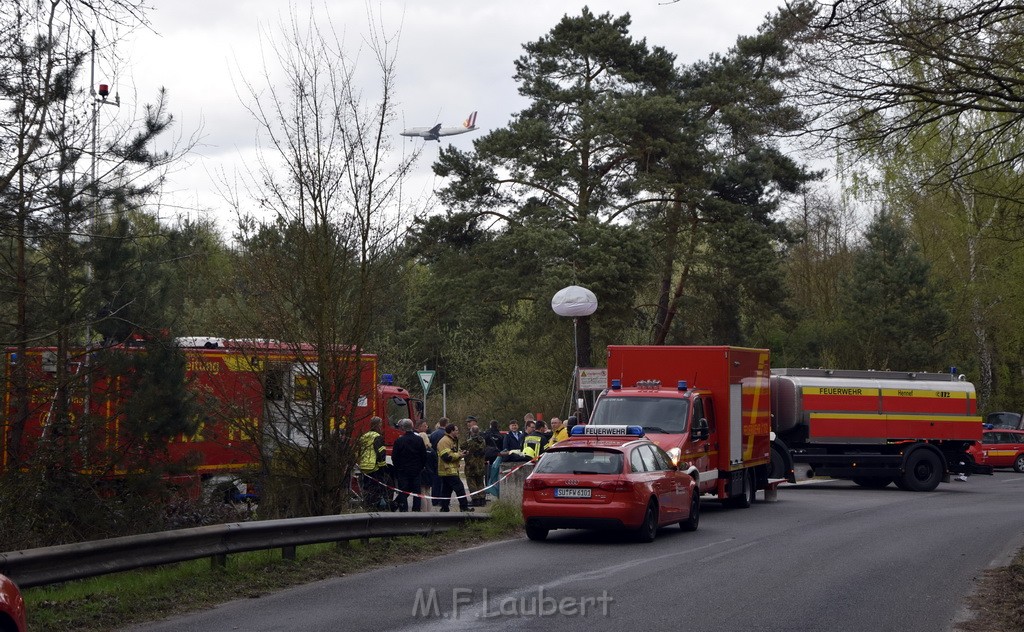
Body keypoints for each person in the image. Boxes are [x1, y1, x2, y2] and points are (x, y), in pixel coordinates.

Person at [391, 418, 427, 511]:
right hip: (416, 470)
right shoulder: (419, 440)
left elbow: (394, 457)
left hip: (403, 470)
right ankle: (416, 509)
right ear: (412, 427)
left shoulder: (399, 441)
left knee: (403, 490)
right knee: (416, 492)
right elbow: (423, 455)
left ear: (402, 428)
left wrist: (398, 467)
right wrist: (421, 467)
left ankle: (403, 509)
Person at [437, 423, 473, 512]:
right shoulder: (444, 441)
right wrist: (460, 455)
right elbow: (446, 457)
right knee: (460, 488)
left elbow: (453, 453)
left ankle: (444, 508)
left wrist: (461, 453)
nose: (458, 432)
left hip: (450, 470)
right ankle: (464, 507)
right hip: (448, 470)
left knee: (446, 490)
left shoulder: (451, 440)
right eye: (456, 430)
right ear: (451, 431)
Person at [357, 416, 389, 510]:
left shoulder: (364, 436)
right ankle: (375, 506)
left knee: (366, 488)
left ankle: (367, 506)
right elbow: (380, 453)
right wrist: (383, 467)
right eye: (380, 424)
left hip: (364, 466)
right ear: (378, 425)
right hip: (374, 467)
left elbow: (360, 452)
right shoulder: (377, 437)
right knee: (377, 488)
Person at [463, 425, 488, 506]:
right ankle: (482, 498)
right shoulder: (483, 441)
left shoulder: (469, 442)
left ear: (471, 432)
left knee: (471, 483)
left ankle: (475, 499)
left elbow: (461, 447)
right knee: (480, 482)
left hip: (471, 465)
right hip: (480, 465)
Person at [428, 417, 449, 507]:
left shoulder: (433, 434)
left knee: (435, 481)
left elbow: (431, 447)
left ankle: (435, 500)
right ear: (446, 424)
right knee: (444, 481)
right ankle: (442, 500)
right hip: (444, 460)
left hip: (434, 460)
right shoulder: (446, 435)